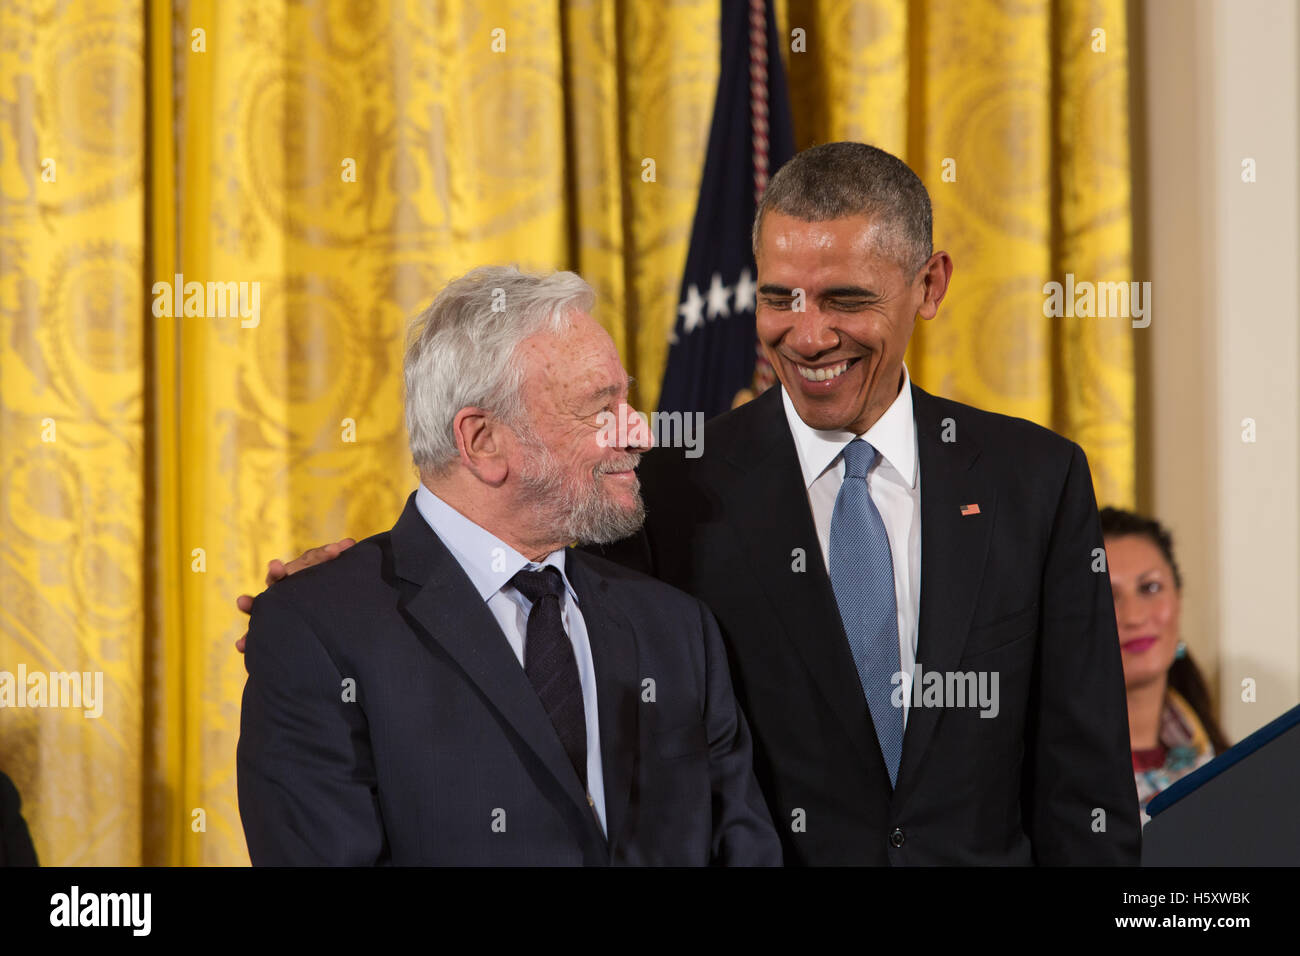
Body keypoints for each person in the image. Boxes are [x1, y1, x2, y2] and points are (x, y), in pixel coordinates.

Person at [241, 143, 1141, 865]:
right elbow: (504, 554)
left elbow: (1082, 780)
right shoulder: (671, 487)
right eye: (780, 297)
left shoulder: (1035, 479)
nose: (808, 332)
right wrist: (354, 582)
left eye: (846, 299)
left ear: (930, 286)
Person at [236, 266, 781, 866]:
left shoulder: (676, 629)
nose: (640, 433)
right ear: (483, 441)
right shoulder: (318, 631)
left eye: (626, 399)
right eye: (601, 409)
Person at [1100, 507, 1229, 825]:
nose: (1134, 617)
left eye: (1150, 588)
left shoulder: (1221, 758)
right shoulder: (1047, 774)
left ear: (1178, 598)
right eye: (1106, 596)